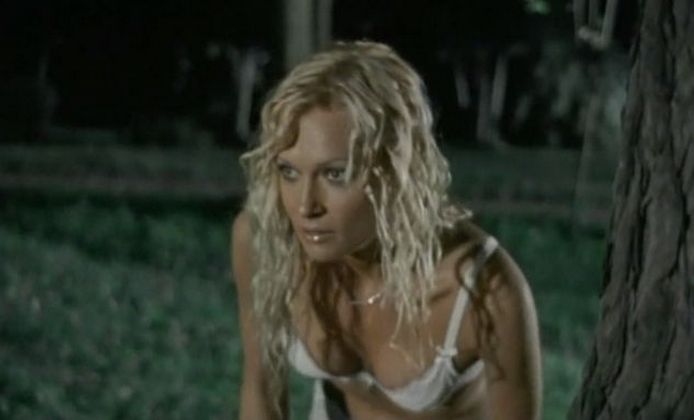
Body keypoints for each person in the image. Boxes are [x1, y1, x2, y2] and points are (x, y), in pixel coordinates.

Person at [232, 40, 542, 419]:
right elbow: (261, 388)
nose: (305, 206)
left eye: (335, 174)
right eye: (289, 172)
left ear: (393, 171)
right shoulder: (267, 240)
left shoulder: (483, 292)